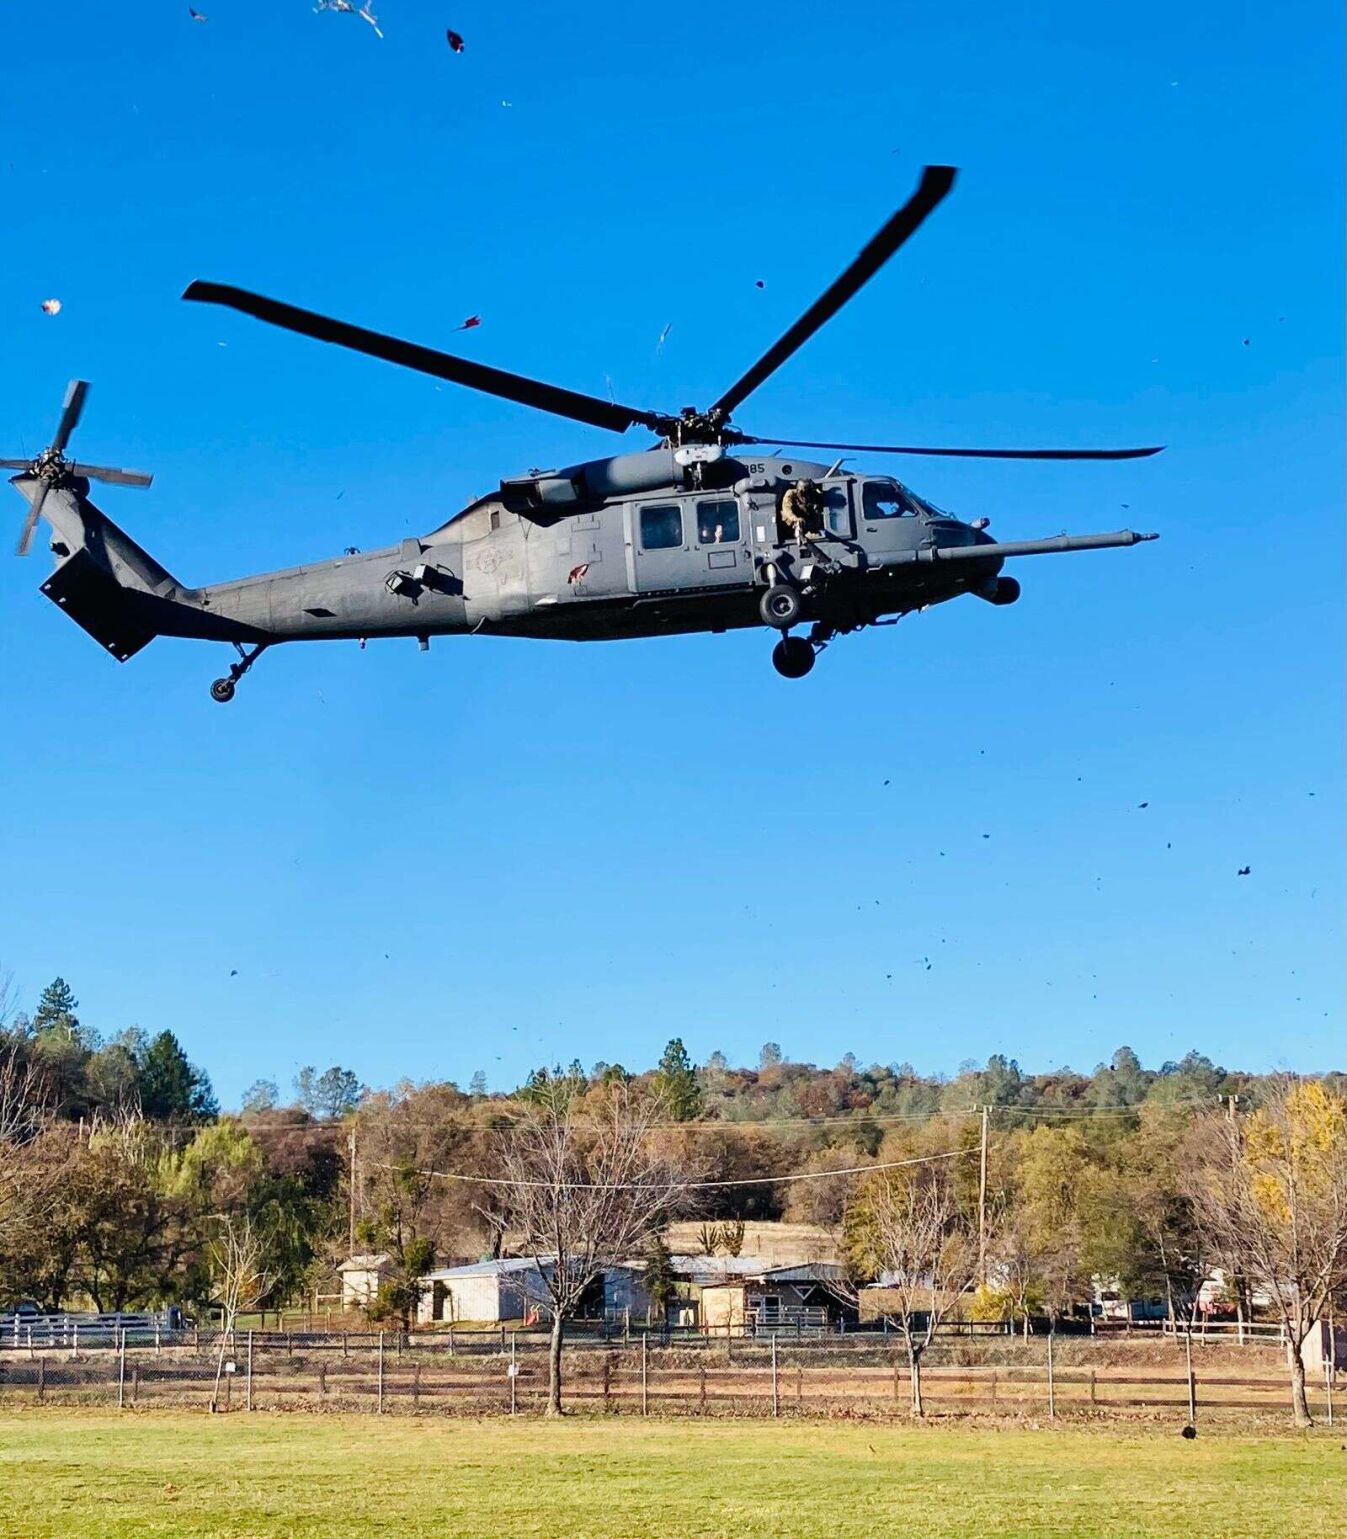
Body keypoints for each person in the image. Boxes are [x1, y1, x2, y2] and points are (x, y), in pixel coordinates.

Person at [779, 478, 824, 543]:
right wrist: (795, 518)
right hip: (790, 524)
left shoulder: (809, 495)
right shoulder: (790, 494)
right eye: (803, 488)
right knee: (799, 522)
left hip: (806, 522)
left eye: (806, 489)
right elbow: (787, 509)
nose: (802, 491)